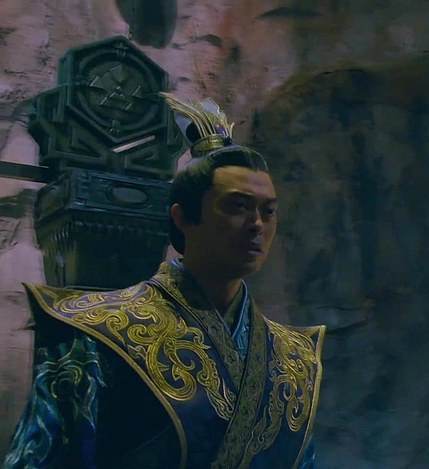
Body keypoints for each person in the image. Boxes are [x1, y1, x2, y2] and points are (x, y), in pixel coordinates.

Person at [3, 93, 324, 469]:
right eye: (238, 206)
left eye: (268, 211)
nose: (257, 224)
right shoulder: (97, 332)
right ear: (183, 217)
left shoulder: (293, 357)